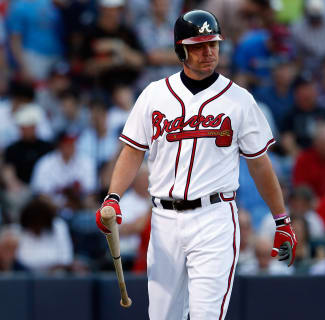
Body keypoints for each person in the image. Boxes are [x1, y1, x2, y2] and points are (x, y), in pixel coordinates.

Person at [95, 10, 297, 320]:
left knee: (206, 315)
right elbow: (133, 151)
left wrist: (281, 220)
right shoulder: (154, 95)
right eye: (199, 45)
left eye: (213, 44)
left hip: (214, 218)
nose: (209, 52)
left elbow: (259, 164)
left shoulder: (239, 100)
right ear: (181, 50)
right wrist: (113, 196)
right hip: (163, 220)